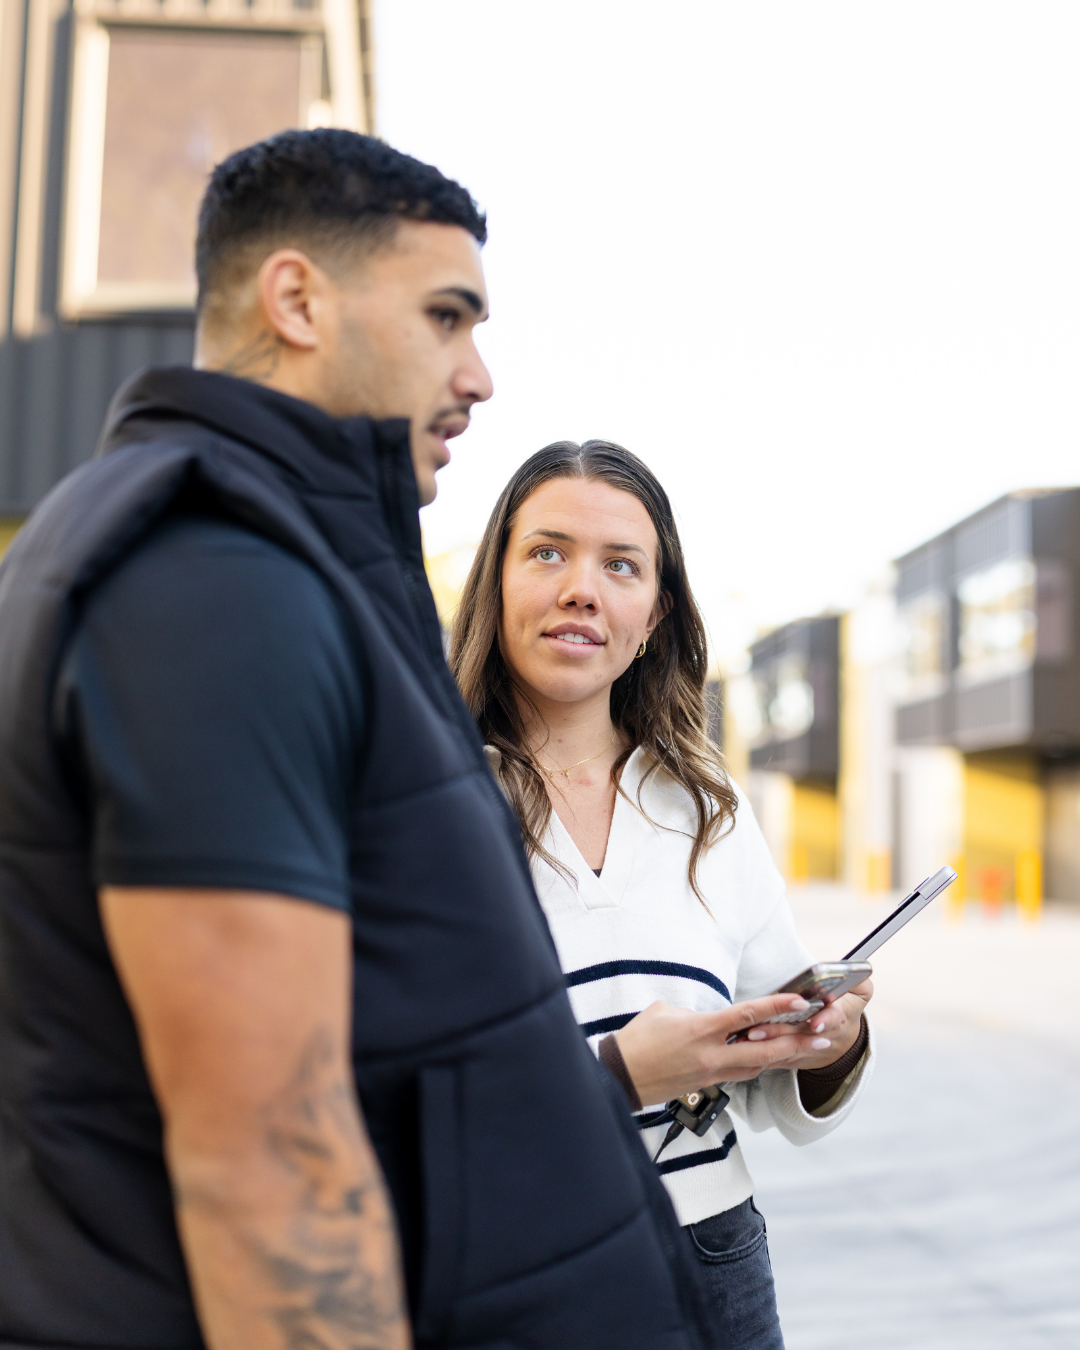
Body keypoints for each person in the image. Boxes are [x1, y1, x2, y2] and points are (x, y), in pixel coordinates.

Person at [0, 132, 814, 1350]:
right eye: (447, 317)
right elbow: (265, 1145)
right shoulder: (216, 579)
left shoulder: (237, 553)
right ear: (297, 300)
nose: (478, 374)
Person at [450, 439, 875, 1350]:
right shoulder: (424, 799)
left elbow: (772, 1074)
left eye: (620, 565)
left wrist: (828, 1038)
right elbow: (393, 1089)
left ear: (653, 614)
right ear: (497, 581)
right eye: (548, 552)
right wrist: (616, 1078)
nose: (581, 589)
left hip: (709, 1257)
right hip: (510, 1263)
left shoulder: (705, 807)